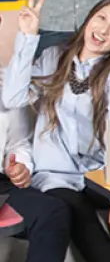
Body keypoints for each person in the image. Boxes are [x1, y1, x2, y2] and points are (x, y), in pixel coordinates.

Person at [1, 0, 110, 262]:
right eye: (101, 18)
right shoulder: (53, 56)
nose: (104, 30)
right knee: (83, 221)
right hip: (55, 176)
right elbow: (12, 98)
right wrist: (28, 37)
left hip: (98, 174)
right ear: (89, 18)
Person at [1, 88, 71, 262]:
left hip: (2, 184)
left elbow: (18, 143)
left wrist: (19, 165)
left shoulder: (9, 91)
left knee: (51, 211)